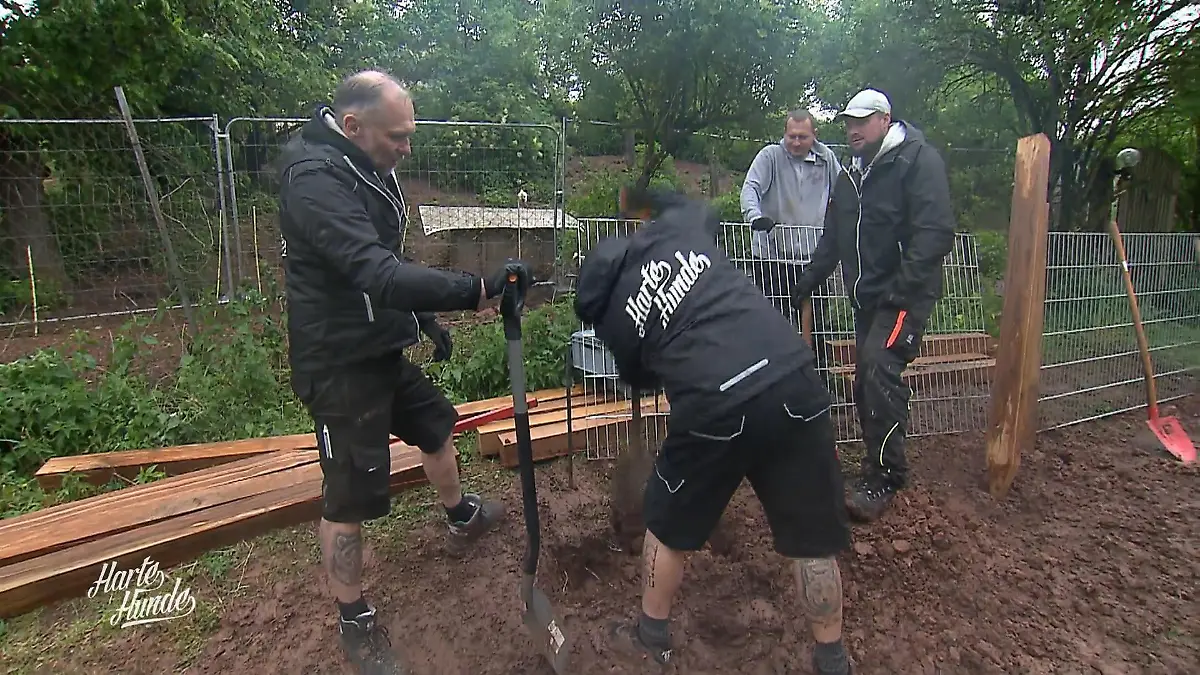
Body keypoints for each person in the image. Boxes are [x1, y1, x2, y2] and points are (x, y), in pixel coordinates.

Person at [276, 69, 531, 675]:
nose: (406, 149)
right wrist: (475, 290)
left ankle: (459, 513)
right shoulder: (314, 182)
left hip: (379, 346)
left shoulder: (363, 162)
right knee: (351, 494)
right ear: (354, 125)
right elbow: (376, 273)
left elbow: (389, 262)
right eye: (397, 137)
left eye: (410, 135)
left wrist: (422, 319)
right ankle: (354, 617)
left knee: (437, 424)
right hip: (339, 363)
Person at [575, 186, 854, 675]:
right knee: (812, 539)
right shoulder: (678, 231)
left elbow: (640, 377)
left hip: (715, 405)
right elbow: (703, 208)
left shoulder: (614, 320)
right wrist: (643, 196)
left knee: (664, 522)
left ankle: (650, 638)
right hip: (794, 377)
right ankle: (831, 657)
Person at [789, 88, 956, 523]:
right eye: (848, 122)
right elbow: (833, 239)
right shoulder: (848, 177)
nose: (853, 130)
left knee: (879, 367)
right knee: (867, 378)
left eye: (861, 121)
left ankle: (887, 474)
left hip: (903, 296)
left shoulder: (916, 163)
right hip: (865, 299)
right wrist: (806, 281)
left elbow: (934, 232)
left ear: (885, 120)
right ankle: (874, 461)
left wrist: (902, 289)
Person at [739, 109, 842, 369]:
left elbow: (844, 194)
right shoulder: (770, 157)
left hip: (812, 259)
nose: (796, 143)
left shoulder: (826, 159)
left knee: (817, 326)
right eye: (791, 136)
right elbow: (750, 188)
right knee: (773, 325)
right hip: (773, 257)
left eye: (802, 137)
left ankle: (817, 379)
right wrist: (755, 216)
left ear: (813, 136)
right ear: (784, 134)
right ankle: (775, 381)